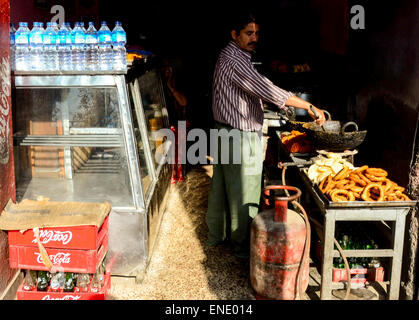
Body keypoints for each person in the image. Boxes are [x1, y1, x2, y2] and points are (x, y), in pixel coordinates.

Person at [206, 12, 326, 259]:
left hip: (225, 130)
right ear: (234, 34)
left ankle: (216, 236)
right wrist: (308, 107)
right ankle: (242, 251)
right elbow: (266, 88)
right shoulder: (235, 60)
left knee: (222, 187)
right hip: (239, 134)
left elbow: (253, 90)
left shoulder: (231, 55)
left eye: (257, 33)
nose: (254, 38)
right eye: (249, 33)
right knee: (245, 193)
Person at [160, 58, 188, 183]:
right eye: (164, 69)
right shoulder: (158, 84)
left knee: (179, 154)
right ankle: (172, 178)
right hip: (165, 125)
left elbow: (183, 102)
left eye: (169, 69)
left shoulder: (178, 83)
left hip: (179, 124)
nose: (166, 72)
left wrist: (170, 88)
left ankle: (178, 178)